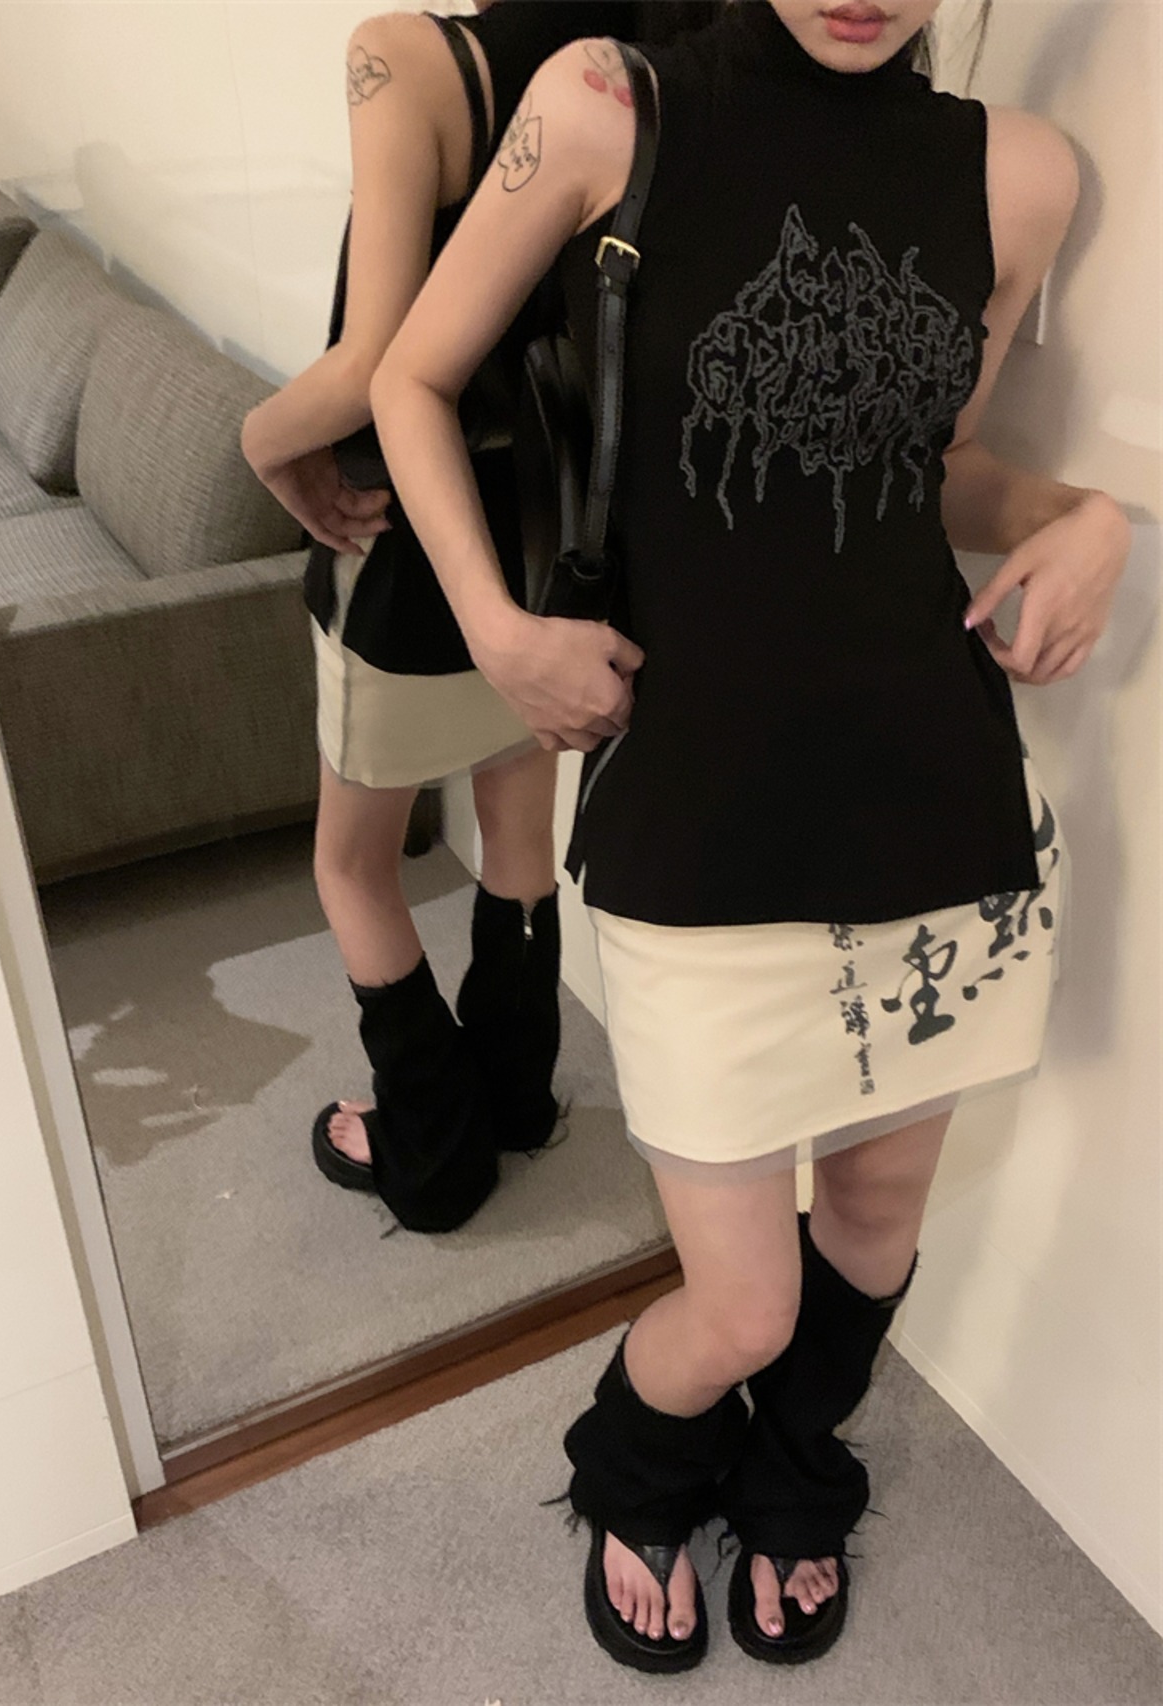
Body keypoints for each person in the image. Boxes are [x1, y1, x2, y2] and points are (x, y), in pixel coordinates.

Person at [371, 0, 1130, 1667]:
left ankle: (795, 1471)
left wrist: (1086, 515)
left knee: (873, 1223)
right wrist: (499, 631)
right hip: (697, 815)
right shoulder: (604, 107)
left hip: (932, 803)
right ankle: (632, 1467)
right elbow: (409, 379)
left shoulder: (1020, 175)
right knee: (740, 1300)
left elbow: (936, 463)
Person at [242, 1, 678, 1233]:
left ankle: (432, 1147)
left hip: (402, 531)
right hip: (554, 542)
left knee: (350, 862)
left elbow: (369, 363)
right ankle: (517, 1092)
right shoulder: (666, 55)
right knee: (514, 824)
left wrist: (257, 442)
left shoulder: (409, 60)